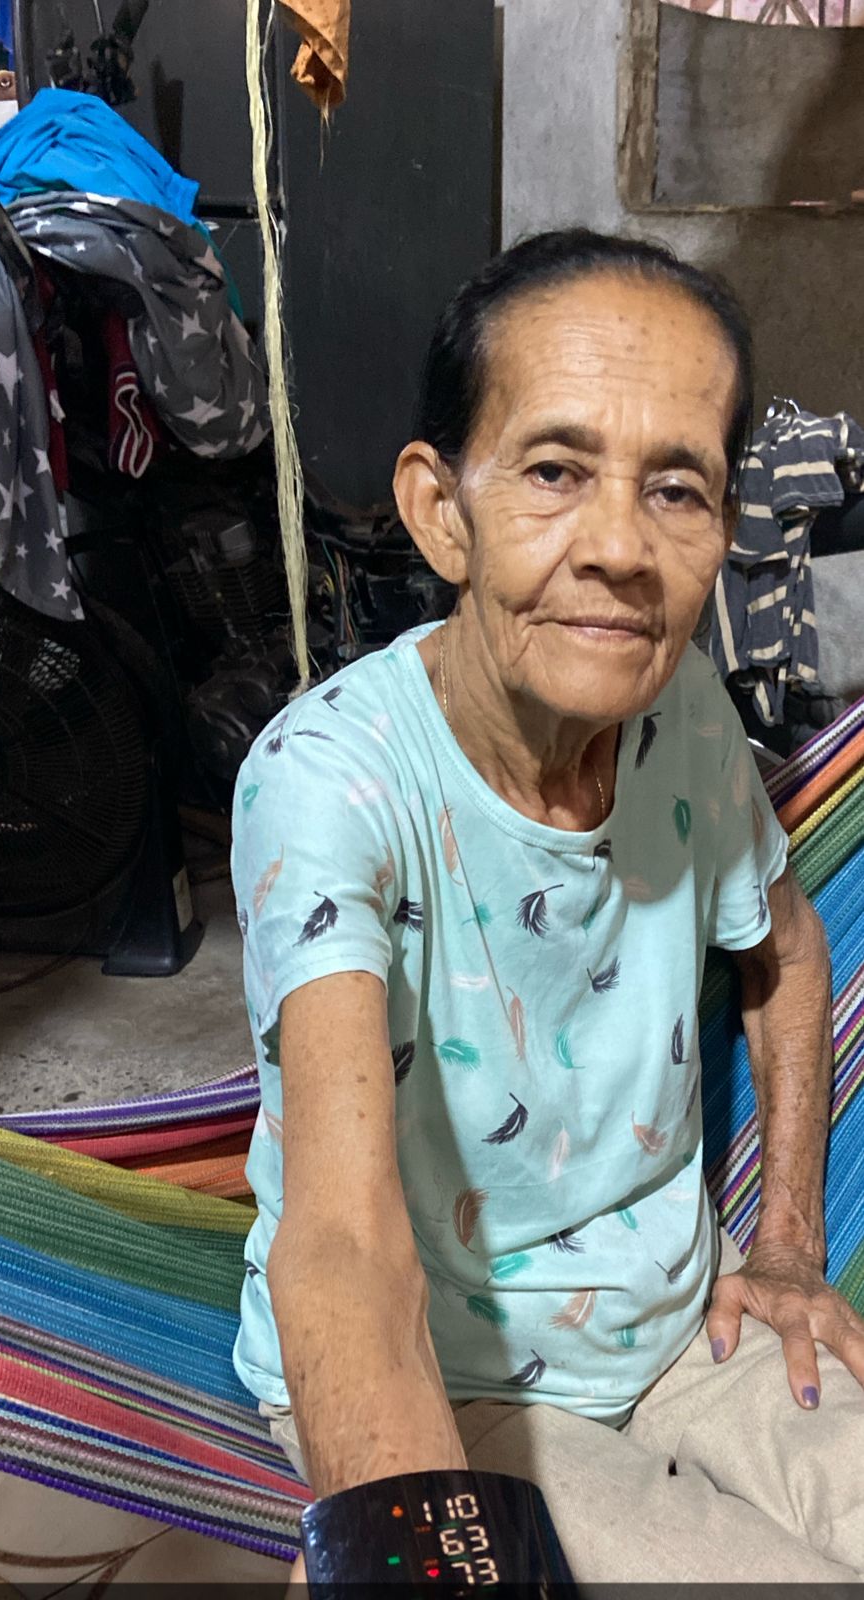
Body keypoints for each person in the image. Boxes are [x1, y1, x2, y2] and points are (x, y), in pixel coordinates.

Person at [231, 229, 864, 1583]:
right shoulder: (331, 782)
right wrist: (417, 1549)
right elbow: (342, 1241)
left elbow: (790, 954)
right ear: (439, 510)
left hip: (689, 1326)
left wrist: (790, 1246)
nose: (621, 549)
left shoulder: (685, 713)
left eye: (676, 489)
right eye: (555, 472)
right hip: (450, 1379)